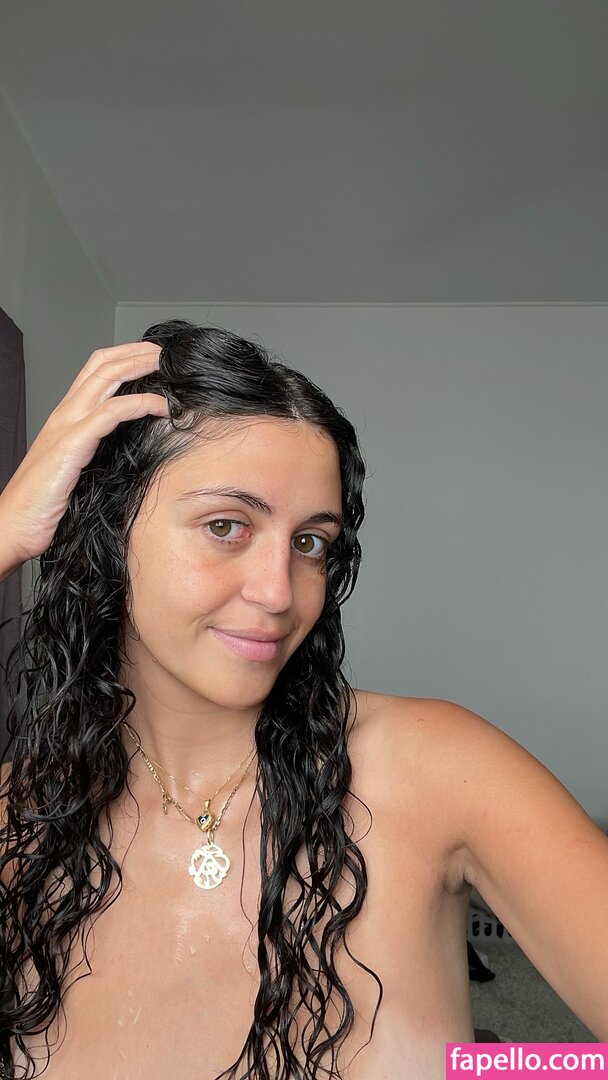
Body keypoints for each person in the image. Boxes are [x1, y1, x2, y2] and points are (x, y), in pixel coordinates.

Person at [0, 319, 607, 1080]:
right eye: (226, 526)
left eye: (310, 542)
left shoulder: (436, 770)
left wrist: (503, 1070)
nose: (279, 592)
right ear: (106, 535)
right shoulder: (20, 822)